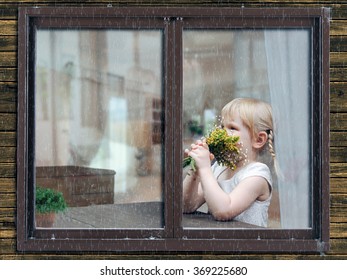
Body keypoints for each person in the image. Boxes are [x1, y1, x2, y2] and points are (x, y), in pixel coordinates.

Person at [183, 97, 277, 227]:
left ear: (258, 139)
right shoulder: (219, 168)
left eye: (232, 128)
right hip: (219, 244)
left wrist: (205, 169)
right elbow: (186, 206)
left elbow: (223, 211)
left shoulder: (257, 175)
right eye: (222, 127)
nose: (222, 133)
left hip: (248, 246)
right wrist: (196, 170)